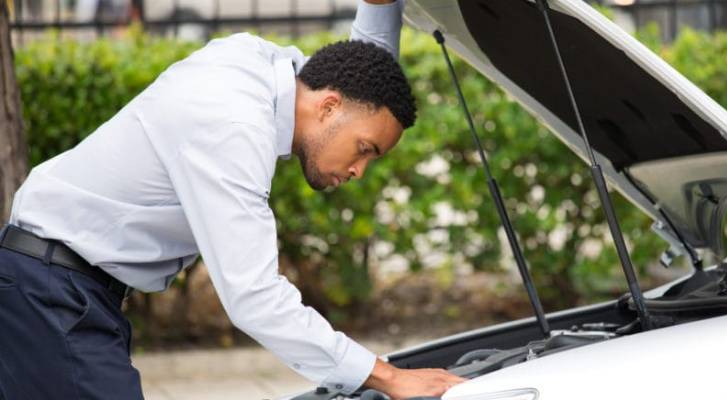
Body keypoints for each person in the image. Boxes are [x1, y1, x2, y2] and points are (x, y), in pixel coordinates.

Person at [0, 0, 465, 399]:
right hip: (51, 296)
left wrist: (380, 7)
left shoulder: (264, 70)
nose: (359, 171)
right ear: (327, 107)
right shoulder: (233, 126)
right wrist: (387, 376)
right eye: (365, 150)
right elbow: (254, 297)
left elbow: (363, 85)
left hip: (51, 285)